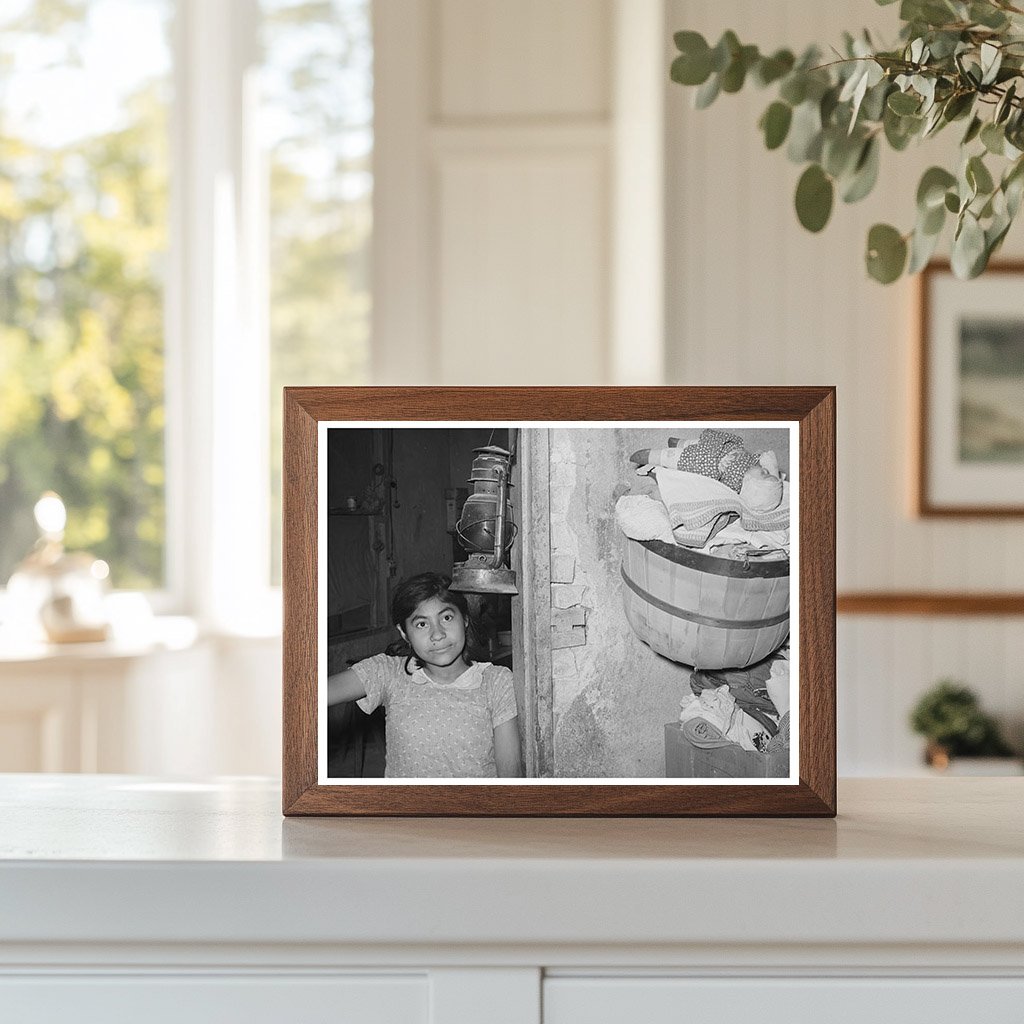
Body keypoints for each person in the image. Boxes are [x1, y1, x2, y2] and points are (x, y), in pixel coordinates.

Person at [327, 572, 524, 778]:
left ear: (465, 619)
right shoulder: (389, 673)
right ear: (404, 633)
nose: (437, 634)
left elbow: (510, 778)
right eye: (422, 624)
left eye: (447, 617)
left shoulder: (495, 682)